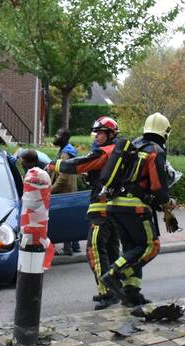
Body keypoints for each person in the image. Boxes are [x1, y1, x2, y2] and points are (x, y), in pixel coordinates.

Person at [48, 117, 130, 308]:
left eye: (100, 133)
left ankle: (106, 293)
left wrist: (55, 165)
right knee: (111, 250)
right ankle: (118, 290)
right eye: (97, 133)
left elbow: (78, 165)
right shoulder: (118, 152)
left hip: (101, 210)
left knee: (94, 250)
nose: (97, 136)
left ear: (110, 134)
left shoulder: (105, 152)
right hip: (115, 209)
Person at [95, 113, 174, 308]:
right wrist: (167, 203)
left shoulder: (133, 146)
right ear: (165, 132)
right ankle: (114, 274)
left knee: (132, 249)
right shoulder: (155, 150)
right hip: (135, 207)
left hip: (114, 205)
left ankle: (131, 294)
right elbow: (157, 186)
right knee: (150, 246)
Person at [49, 128, 81, 256]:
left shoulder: (65, 154)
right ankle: (75, 245)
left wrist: (51, 189)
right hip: (70, 191)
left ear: (65, 138)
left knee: (65, 219)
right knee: (71, 218)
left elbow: (64, 176)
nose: (55, 137)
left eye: (58, 135)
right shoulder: (66, 151)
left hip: (64, 193)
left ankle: (67, 249)